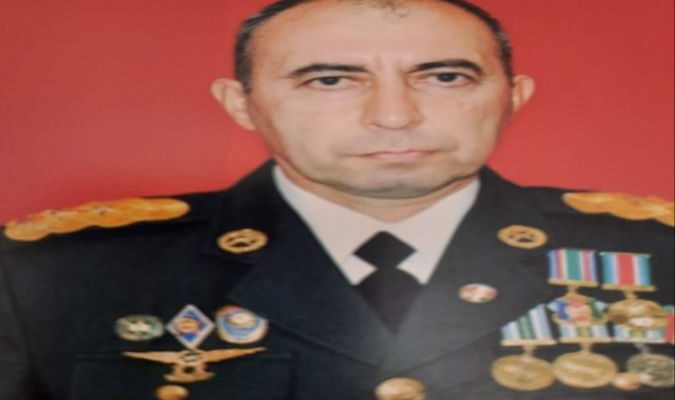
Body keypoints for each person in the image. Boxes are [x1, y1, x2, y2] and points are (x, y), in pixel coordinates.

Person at [1, 0, 673, 399]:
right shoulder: (46, 277)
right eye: (329, 80)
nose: (393, 115)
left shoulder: (660, 255)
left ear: (513, 97)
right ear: (241, 105)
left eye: (443, 77)